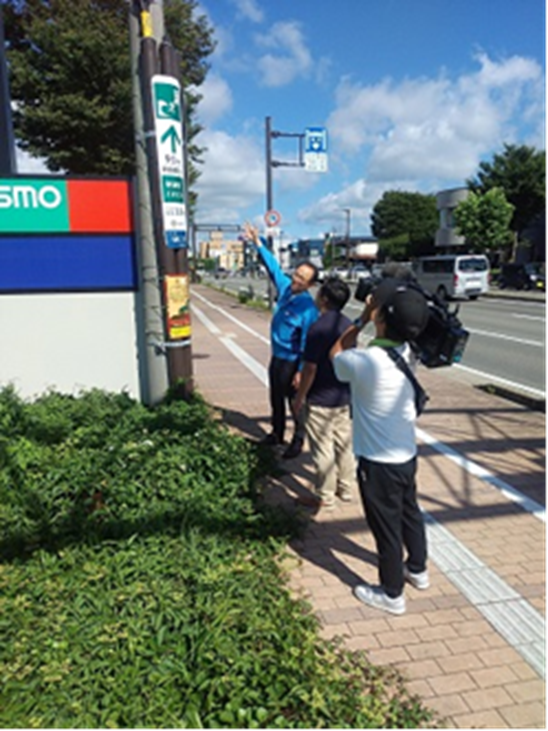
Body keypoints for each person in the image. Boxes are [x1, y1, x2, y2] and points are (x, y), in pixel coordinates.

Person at [330, 277, 430, 615]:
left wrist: (361, 318)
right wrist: (381, 313)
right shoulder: (408, 351)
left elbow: (337, 354)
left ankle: (392, 595)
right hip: (407, 454)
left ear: (382, 320)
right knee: (410, 513)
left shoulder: (367, 362)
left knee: (386, 528)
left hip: (378, 463)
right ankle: (417, 569)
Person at [243, 222, 319, 459]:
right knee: (275, 397)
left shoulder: (308, 308)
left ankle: (298, 438)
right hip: (277, 357)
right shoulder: (286, 289)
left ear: (310, 285)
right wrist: (258, 243)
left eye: (302, 279)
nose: (296, 280)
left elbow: (308, 342)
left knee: (294, 402)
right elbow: (273, 267)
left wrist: (299, 371)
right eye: (297, 274)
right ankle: (277, 434)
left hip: (292, 361)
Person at [292, 276, 356, 508]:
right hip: (344, 395)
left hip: (320, 397)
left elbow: (310, 368)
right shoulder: (348, 325)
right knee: (344, 444)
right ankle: (347, 489)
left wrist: (300, 398)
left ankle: (325, 496)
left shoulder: (317, 328)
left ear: (325, 299)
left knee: (323, 448)